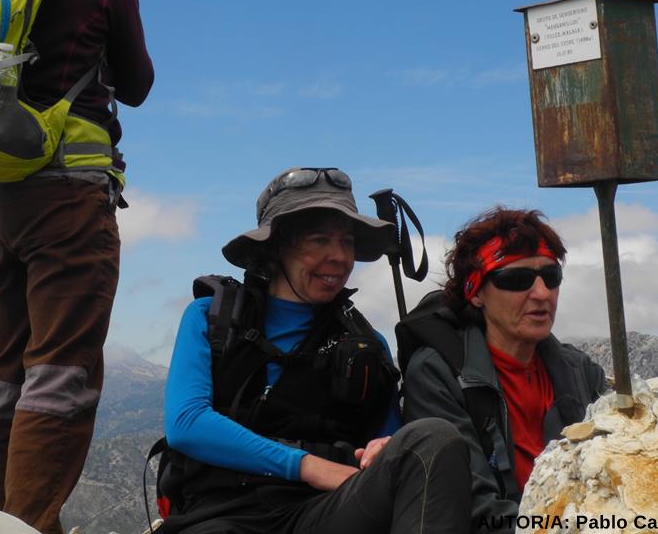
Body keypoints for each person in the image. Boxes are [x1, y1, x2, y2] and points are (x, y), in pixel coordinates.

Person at [0, 0, 154, 534]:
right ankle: (28, 526)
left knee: (7, 368)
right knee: (61, 371)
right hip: (68, 199)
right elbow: (136, 85)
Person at [160, 167, 471, 534]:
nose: (339, 257)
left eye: (347, 242)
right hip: (223, 514)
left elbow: (387, 445)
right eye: (319, 240)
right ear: (275, 249)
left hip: (329, 512)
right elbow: (187, 424)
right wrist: (308, 465)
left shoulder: (367, 345)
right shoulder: (212, 318)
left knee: (432, 438)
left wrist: (383, 448)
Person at [399, 207, 606, 533]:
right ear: (476, 292)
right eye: (516, 279)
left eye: (551, 276)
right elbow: (475, 506)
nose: (541, 293)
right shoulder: (438, 374)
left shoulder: (582, 372)